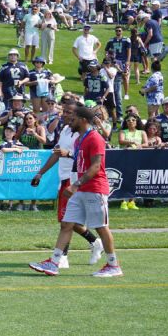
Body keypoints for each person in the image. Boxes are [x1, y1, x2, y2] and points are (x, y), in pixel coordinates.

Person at [30, 106, 121, 277]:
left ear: (83, 120)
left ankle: (113, 265)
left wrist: (75, 185)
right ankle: (54, 262)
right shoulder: (79, 140)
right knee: (66, 224)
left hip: (94, 188)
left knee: (101, 227)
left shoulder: (95, 138)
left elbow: (96, 166)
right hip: (80, 189)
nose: (70, 122)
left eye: (73, 119)